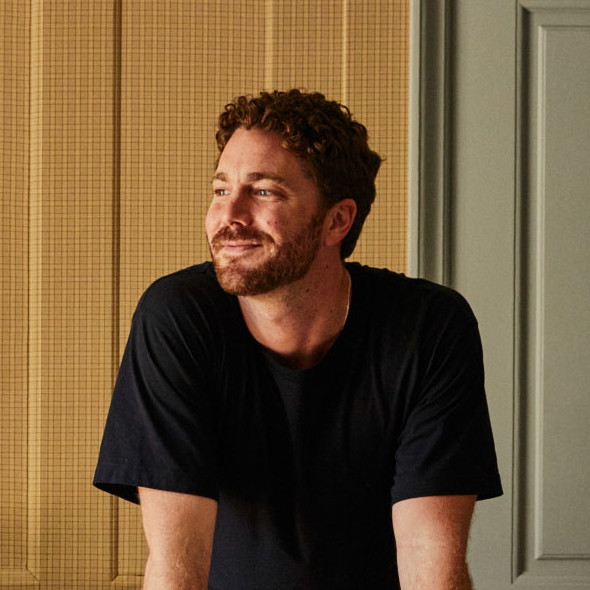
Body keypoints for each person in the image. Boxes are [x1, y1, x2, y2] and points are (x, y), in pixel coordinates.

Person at [94, 89, 502, 590]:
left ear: (337, 220)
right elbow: (176, 568)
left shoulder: (428, 326)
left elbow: (431, 567)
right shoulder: (178, 316)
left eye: (263, 191)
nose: (229, 217)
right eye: (221, 190)